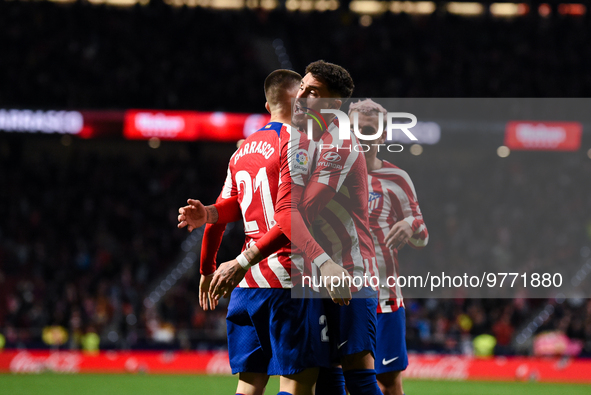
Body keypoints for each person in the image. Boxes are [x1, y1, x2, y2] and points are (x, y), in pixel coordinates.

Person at [207, 60, 384, 395]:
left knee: (358, 373)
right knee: (326, 376)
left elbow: (299, 212)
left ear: (332, 104)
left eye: (312, 92)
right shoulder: (299, 139)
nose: (300, 95)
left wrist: (243, 260)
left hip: (348, 270)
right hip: (316, 272)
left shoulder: (339, 143)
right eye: (301, 86)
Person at [178, 69, 328, 395]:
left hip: (247, 288)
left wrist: (206, 268)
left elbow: (218, 213)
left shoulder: (241, 151)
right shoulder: (299, 145)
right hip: (288, 278)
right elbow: (291, 220)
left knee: (248, 386)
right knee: (299, 383)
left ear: (267, 103)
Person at [349, 99, 429, 395]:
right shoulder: (330, 175)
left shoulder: (397, 179)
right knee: (336, 379)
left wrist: (410, 225)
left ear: (382, 136)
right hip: (341, 296)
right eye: (356, 128)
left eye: (369, 130)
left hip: (385, 297)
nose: (362, 135)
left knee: (388, 382)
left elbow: (423, 237)